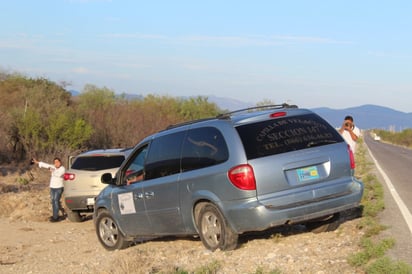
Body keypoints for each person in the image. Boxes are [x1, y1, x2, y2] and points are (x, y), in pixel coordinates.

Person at [33, 157, 66, 222]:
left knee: (56, 201)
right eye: (55, 162)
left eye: (58, 162)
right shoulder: (53, 167)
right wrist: (37, 162)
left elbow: (58, 174)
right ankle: (55, 215)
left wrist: (52, 170)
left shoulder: (62, 169)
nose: (56, 164)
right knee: (53, 201)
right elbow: (46, 165)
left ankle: (55, 217)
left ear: (60, 162)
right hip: (52, 187)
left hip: (59, 187)